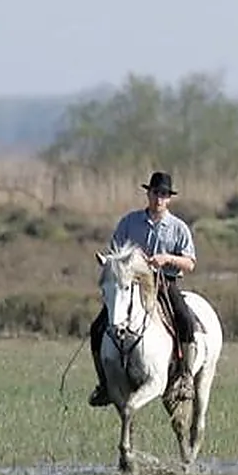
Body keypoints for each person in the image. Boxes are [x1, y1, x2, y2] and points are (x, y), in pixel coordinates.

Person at [88, 170, 199, 406]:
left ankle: (186, 377)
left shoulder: (178, 228)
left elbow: (190, 262)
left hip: (163, 282)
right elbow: (115, 253)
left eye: (164, 194)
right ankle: (104, 384)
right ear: (148, 193)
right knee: (97, 328)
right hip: (132, 285)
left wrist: (167, 258)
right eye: (156, 192)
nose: (159, 198)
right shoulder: (129, 222)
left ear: (169, 198)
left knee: (186, 321)